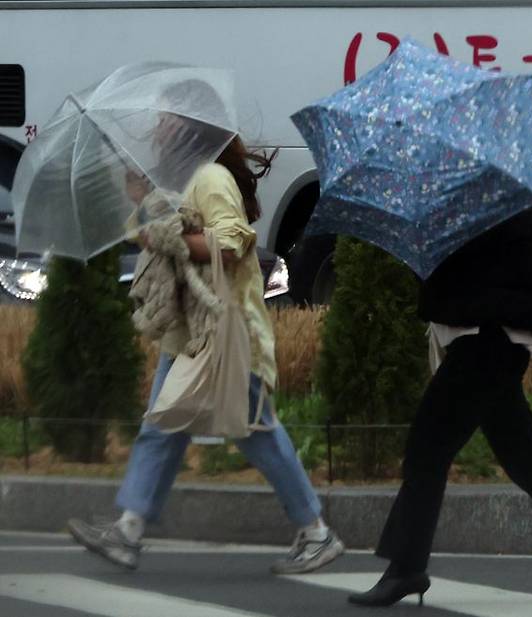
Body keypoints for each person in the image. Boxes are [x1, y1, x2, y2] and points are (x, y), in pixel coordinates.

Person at [68, 86, 344, 575]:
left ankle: (316, 533)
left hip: (228, 329)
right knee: (163, 423)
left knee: (255, 430)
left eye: (165, 118)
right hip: (196, 330)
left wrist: (173, 232)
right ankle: (128, 531)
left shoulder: (211, 177)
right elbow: (159, 236)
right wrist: (145, 204)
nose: (156, 127)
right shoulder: (181, 180)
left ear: (190, 126)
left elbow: (234, 244)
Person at [348, 202, 532, 607]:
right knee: (522, 457)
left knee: (427, 450)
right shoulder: (510, 207)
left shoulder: (498, 212)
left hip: (485, 344)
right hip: (498, 343)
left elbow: (468, 283)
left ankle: (406, 568)